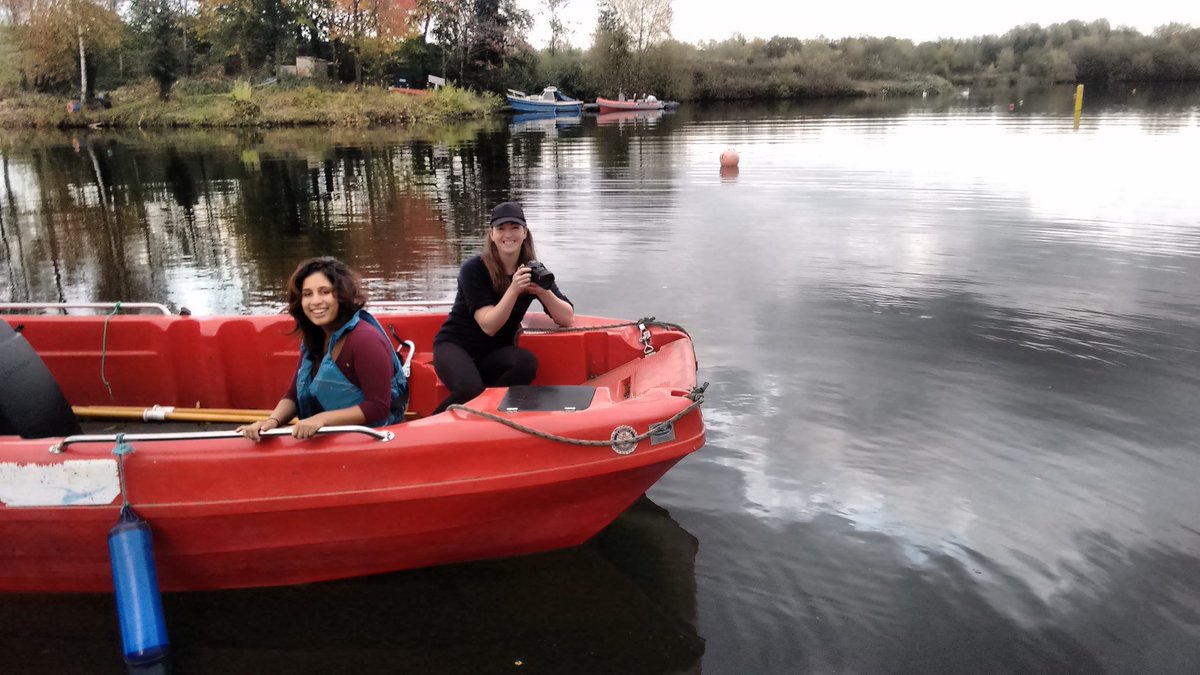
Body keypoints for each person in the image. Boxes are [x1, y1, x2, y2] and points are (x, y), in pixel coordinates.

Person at [238, 257, 408, 441]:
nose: (315, 301)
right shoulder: (315, 336)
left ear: (342, 295)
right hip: (331, 436)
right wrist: (272, 421)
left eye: (324, 292)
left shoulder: (365, 340)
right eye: (307, 294)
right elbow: (294, 394)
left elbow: (378, 406)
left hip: (372, 441)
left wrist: (321, 420)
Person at [432, 202, 574, 415]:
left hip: (493, 354)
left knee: (526, 362)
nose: (508, 234)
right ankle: (429, 428)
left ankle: (492, 417)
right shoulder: (473, 269)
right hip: (456, 346)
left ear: (524, 232)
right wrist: (514, 289)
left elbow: (566, 317)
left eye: (515, 227)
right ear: (492, 234)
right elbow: (488, 325)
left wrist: (542, 291)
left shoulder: (532, 269)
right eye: (501, 228)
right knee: (470, 389)